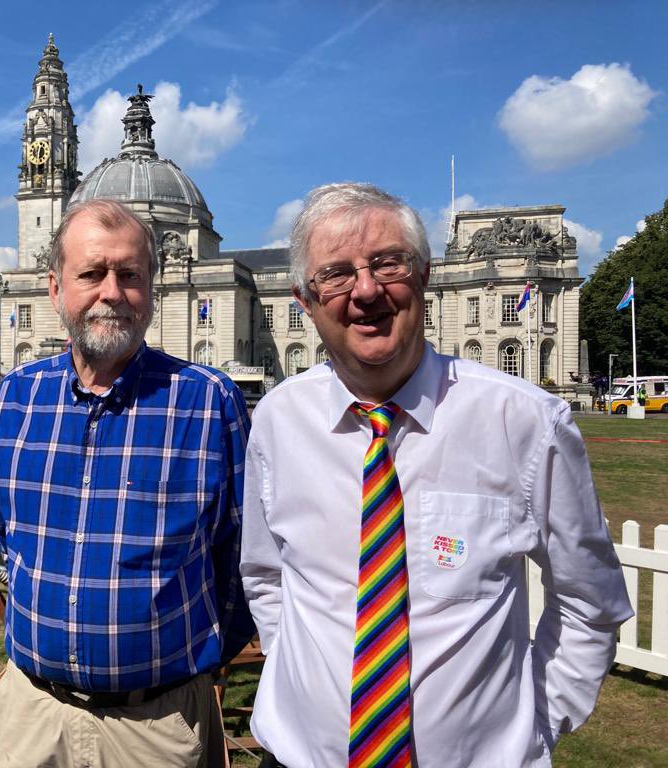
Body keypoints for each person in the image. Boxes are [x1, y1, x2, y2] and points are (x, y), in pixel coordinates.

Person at [240, 182, 632, 768]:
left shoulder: (524, 422)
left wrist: (541, 723)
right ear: (305, 298)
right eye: (337, 274)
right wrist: (298, 676)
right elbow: (267, 575)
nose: (367, 291)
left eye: (387, 263)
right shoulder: (277, 418)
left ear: (424, 275)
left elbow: (589, 600)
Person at [0, 198, 253, 767]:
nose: (111, 291)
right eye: (91, 273)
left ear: (151, 289)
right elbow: (14, 539)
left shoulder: (207, 400)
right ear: (55, 288)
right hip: (35, 715)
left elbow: (241, 556)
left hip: (156, 726)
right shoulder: (15, 396)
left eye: (129, 275)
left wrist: (195, 664)